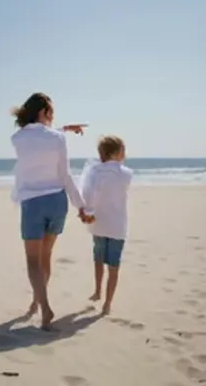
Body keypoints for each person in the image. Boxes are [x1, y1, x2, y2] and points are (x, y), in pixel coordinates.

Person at [10, 92, 88, 330]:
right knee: (45, 257)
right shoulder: (57, 139)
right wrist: (81, 205)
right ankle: (38, 300)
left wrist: (60, 128)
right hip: (56, 202)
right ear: (44, 112)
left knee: (33, 260)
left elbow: (36, 138)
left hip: (32, 203)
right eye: (52, 112)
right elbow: (65, 175)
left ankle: (43, 306)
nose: (54, 117)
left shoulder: (17, 138)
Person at [80, 135, 133, 315]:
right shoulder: (126, 173)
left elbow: (88, 193)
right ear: (118, 153)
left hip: (99, 223)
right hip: (117, 226)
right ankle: (108, 303)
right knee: (113, 265)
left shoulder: (94, 172)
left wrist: (88, 212)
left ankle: (97, 291)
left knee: (98, 259)